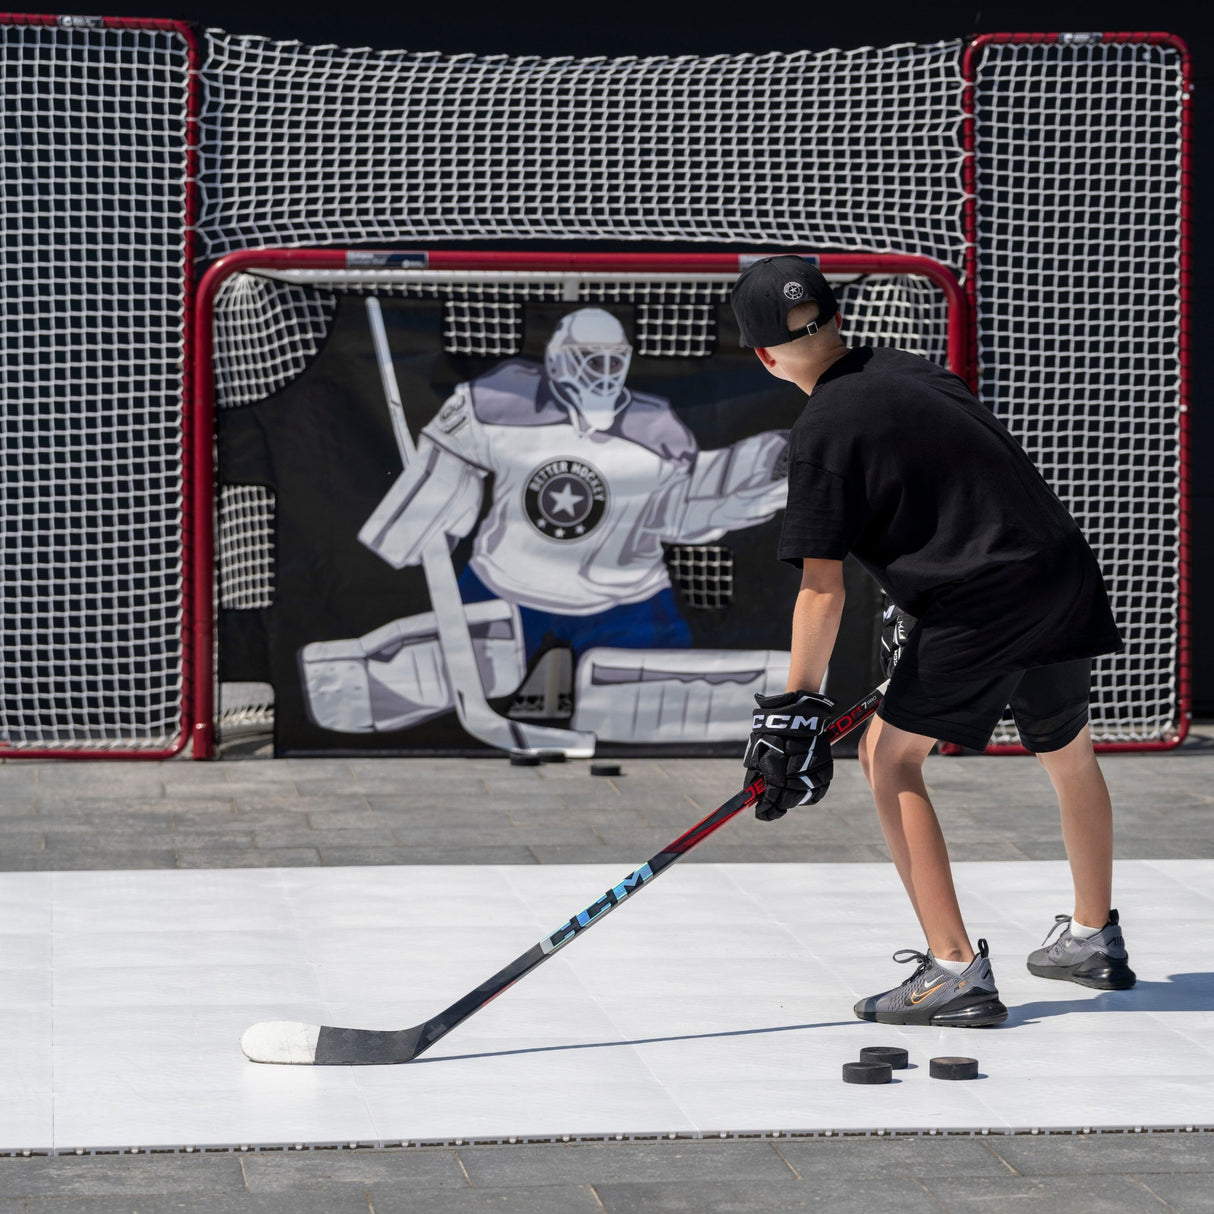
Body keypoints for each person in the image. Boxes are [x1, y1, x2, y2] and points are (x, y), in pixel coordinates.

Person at [731, 255, 1135, 1028]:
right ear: (835, 317)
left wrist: (796, 707)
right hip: (1058, 568)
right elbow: (974, 482)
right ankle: (1092, 937)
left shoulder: (820, 430)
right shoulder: (913, 371)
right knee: (1067, 744)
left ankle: (952, 969)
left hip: (984, 599)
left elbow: (822, 588)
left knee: (888, 756)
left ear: (763, 355)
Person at [360, 306, 788, 665]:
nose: (604, 371)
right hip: (505, 585)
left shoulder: (658, 426)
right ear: (561, 359)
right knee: (443, 687)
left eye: (613, 359)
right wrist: (414, 531)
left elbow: (677, 513)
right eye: (590, 358)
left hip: (625, 597)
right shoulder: (499, 399)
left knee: (656, 706)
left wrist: (753, 483)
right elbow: (446, 461)